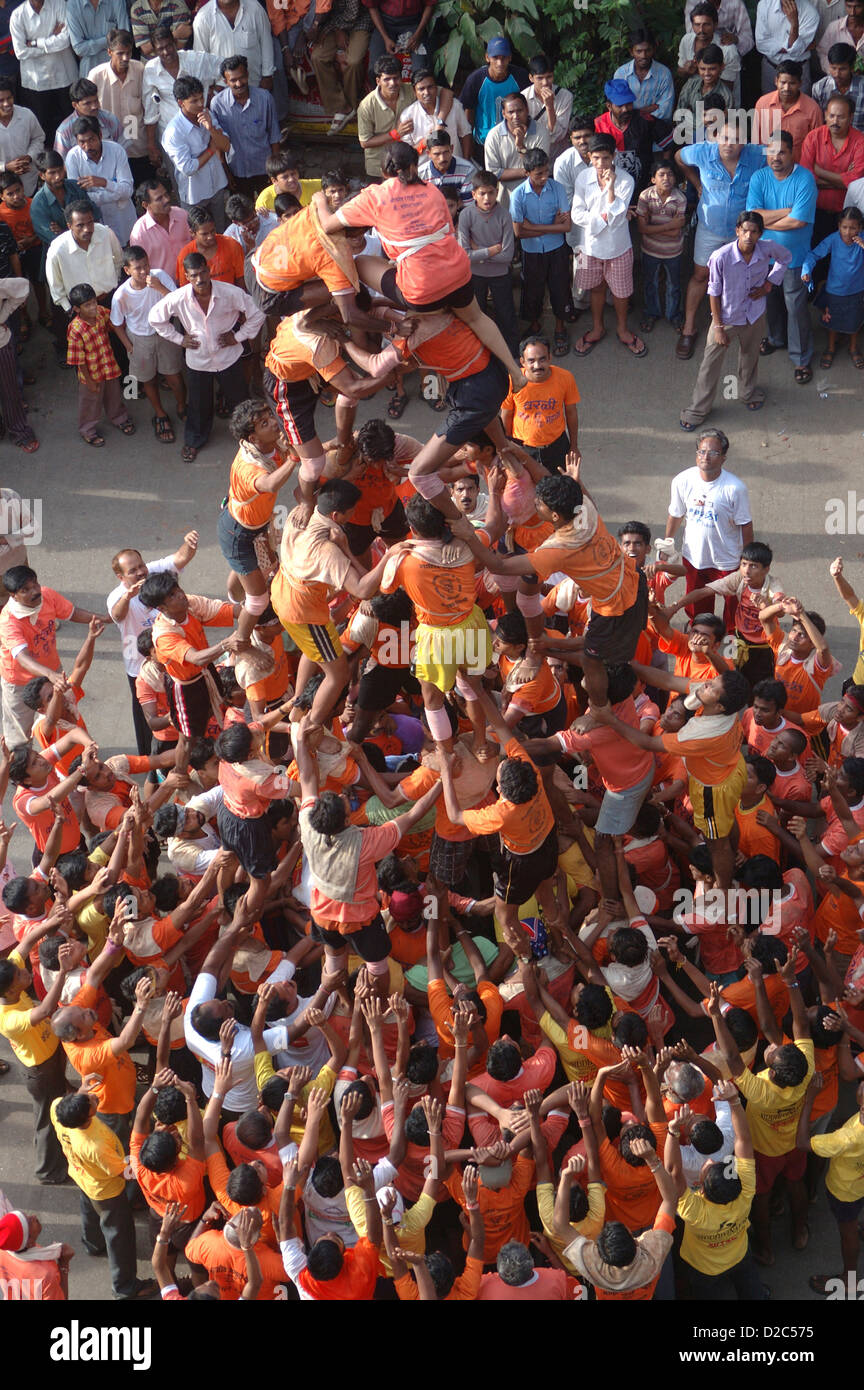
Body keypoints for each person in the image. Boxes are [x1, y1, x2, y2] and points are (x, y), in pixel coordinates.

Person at [315, 141, 527, 388]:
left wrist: (319, 200)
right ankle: (516, 372)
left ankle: (355, 306)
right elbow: (447, 230)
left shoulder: (375, 195)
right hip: (457, 272)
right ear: (415, 166)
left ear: (384, 171)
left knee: (361, 261)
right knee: (477, 317)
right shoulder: (432, 190)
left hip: (421, 289)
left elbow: (328, 224)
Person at [707, 959, 814, 1265]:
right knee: (797, 1185)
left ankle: (766, 1249)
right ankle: (799, 1231)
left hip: (765, 1152)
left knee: (761, 1198)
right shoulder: (804, 1069)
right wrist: (791, 981)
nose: (771, 1047)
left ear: (773, 1072)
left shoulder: (759, 1090)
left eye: (773, 1052)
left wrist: (715, 1014)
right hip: (796, 1143)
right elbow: (801, 1024)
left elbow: (730, 1055)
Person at [679, 210, 792, 428]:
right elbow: (713, 292)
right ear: (737, 231)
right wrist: (718, 327)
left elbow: (785, 257)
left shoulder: (767, 248)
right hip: (726, 317)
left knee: (750, 356)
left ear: (760, 234)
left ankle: (748, 393)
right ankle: (697, 411)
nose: (749, 236)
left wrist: (769, 284)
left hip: (754, 314)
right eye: (745, 230)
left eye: (754, 232)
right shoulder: (721, 256)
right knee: (710, 364)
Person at [149, 254, 265, 462]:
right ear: (187, 277)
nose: (200, 278)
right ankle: (194, 440)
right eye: (194, 275)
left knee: (240, 401)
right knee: (198, 404)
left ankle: (252, 439)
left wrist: (238, 336)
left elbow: (257, 313)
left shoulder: (229, 292)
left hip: (228, 357)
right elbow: (155, 319)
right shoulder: (178, 298)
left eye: (203, 272)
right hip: (198, 361)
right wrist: (179, 339)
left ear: (209, 270)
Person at [51, 1080, 156, 1300]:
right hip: (108, 1191)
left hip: (83, 1177)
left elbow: (66, 1103)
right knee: (120, 1235)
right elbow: (124, 1173)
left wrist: (79, 1093)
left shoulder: (58, 1108)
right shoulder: (95, 1145)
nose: (93, 1097)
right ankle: (125, 1286)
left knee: (89, 1211)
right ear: (86, 1117)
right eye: (89, 1101)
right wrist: (141, 1159)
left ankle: (93, 1243)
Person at [675, 120, 767, 360]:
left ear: (745, 142)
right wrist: (696, 184)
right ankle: (689, 328)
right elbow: (678, 157)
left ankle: (746, 331)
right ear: (716, 137)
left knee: (747, 278)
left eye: (736, 140)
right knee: (700, 275)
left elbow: (781, 162)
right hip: (710, 229)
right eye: (724, 138)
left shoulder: (758, 155)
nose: (729, 144)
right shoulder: (703, 151)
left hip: (743, 232)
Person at [106, 531, 198, 755]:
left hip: (172, 659)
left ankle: (188, 752)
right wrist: (128, 596)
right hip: (141, 669)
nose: (140, 572)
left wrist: (189, 543)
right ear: (120, 577)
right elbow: (117, 616)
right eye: (132, 571)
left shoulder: (154, 572)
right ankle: (152, 763)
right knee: (151, 721)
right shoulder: (116, 597)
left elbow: (180, 558)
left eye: (141, 566)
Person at [0, 907, 73, 1184]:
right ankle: (48, 1170)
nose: (25, 974)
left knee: (55, 1100)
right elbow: (44, 1010)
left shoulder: (9, 980)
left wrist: (50, 922)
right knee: (46, 1118)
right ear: (10, 991)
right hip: (40, 1070)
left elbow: (26, 943)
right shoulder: (8, 1019)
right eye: (20, 977)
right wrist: (63, 972)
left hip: (49, 1057)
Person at [0, 563, 100, 746]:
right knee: (20, 734)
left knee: (65, 712)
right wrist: (50, 675)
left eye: (35, 585)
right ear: (13, 595)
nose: (35, 591)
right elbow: (22, 658)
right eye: (26, 590)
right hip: (20, 682)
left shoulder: (46, 595)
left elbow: (71, 613)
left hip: (51, 671)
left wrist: (100, 618)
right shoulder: (8, 621)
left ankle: (73, 751)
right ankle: (21, 768)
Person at [746, 131, 818, 383]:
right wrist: (783, 212)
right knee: (772, 301)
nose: (775, 157)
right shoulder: (759, 177)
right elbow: (752, 217)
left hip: (793, 257)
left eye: (782, 151)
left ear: (792, 153)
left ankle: (801, 358)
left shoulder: (804, 179)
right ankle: (776, 339)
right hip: (763, 256)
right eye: (771, 151)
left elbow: (798, 220)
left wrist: (766, 222)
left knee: (795, 306)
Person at [140, 570, 241, 737]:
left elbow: (232, 611)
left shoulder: (191, 603)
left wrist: (254, 607)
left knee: (210, 712)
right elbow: (196, 658)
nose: (180, 595)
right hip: (185, 685)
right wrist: (226, 644)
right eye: (172, 595)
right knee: (190, 738)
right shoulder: (164, 635)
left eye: (178, 589)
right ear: (161, 608)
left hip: (205, 670)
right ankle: (184, 763)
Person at [571, 133, 645, 359]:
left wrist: (611, 189)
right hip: (590, 247)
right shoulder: (583, 178)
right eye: (596, 158)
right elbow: (576, 213)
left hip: (618, 247)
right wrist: (604, 218)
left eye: (605, 158)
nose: (601, 164)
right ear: (589, 157)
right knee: (596, 288)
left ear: (614, 156)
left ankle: (622, 329)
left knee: (621, 293)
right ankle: (597, 327)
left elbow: (617, 216)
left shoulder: (625, 180)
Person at [665, 430, 754, 613]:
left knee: (734, 604)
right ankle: (700, 631)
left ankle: (732, 634)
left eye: (713, 453)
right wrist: (667, 543)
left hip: (728, 560)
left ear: (723, 458)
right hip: (695, 557)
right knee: (697, 603)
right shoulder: (682, 481)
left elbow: (745, 524)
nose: (706, 457)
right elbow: (676, 514)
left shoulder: (735, 488)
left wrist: (748, 559)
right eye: (701, 451)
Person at [109, 243, 186, 442]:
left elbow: (178, 304)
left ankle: (182, 406)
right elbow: (116, 324)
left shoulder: (160, 276)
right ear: (127, 271)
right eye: (138, 268)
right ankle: (160, 414)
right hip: (139, 339)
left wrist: (160, 287)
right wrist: (128, 346)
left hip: (165, 333)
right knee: (147, 380)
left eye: (146, 266)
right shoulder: (121, 295)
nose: (144, 271)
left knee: (174, 376)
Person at [509, 148, 571, 355]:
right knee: (532, 291)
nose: (545, 177)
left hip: (557, 249)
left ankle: (560, 328)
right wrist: (551, 225)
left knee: (560, 288)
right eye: (539, 174)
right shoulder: (518, 195)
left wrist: (532, 227)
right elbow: (519, 233)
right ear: (527, 173)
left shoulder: (558, 188)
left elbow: (566, 226)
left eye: (546, 172)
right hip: (532, 252)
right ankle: (535, 326)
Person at [65, 280, 135, 446]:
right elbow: (78, 360)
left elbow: (115, 324)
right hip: (91, 374)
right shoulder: (75, 329)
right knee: (91, 401)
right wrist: (89, 381)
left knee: (114, 394)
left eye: (94, 302)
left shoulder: (102, 313)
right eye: (88, 305)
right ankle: (87, 429)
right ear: (76, 309)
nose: (93, 307)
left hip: (108, 365)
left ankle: (119, 417)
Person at [457, 169, 518, 357]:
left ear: (497, 191)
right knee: (477, 314)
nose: (487, 198)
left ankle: (512, 353)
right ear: (473, 194)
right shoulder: (466, 215)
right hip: (475, 275)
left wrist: (478, 251)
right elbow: (464, 255)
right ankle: (480, 354)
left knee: (506, 314)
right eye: (482, 193)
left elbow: (507, 256)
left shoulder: (504, 215)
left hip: (500, 274)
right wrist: (491, 250)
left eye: (491, 192)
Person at [500, 336, 580, 473]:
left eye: (542, 359)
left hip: (558, 446)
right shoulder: (512, 381)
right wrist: (507, 449)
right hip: (523, 449)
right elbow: (506, 416)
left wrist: (573, 446)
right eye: (531, 361)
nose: (537, 366)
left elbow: (571, 413)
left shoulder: (565, 378)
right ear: (522, 362)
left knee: (562, 486)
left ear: (550, 358)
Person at [142, 26, 222, 158]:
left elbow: (225, 67)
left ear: (175, 43)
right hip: (171, 135)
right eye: (160, 49)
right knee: (181, 175)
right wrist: (151, 144)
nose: (166, 52)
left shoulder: (196, 59)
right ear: (154, 51)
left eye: (169, 46)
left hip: (201, 129)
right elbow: (151, 111)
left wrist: (215, 94)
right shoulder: (150, 70)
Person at [162, 75, 229, 229]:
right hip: (194, 194)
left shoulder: (207, 115)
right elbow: (188, 168)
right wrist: (212, 150)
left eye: (201, 98)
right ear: (181, 103)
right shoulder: (173, 132)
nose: (200, 104)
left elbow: (225, 145)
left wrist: (211, 129)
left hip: (217, 184)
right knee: (198, 235)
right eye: (194, 101)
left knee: (220, 229)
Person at [801, 203, 864, 367]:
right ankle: (830, 347)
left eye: (853, 228)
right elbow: (813, 255)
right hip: (835, 290)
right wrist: (806, 270)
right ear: (838, 226)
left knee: (855, 321)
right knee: (832, 321)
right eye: (844, 227)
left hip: (856, 290)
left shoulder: (862, 242)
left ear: (860, 228)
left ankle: (853, 347)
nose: (848, 232)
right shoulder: (834, 239)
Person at [210, 55, 280, 198]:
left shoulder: (264, 98)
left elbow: (274, 136)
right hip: (237, 171)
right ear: (225, 81)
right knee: (244, 215)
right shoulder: (217, 104)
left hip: (264, 169)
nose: (238, 83)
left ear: (247, 75)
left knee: (271, 212)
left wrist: (275, 171)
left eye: (241, 77)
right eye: (233, 80)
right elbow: (218, 144)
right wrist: (226, 173)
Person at [9, 0, 77, 143]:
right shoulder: (18, 15)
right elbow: (20, 52)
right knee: (43, 128)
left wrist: (35, 42)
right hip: (37, 81)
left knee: (72, 124)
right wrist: (52, 39)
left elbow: (65, 40)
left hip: (64, 76)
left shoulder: (59, 5)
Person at [89, 29, 149, 185]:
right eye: (120, 53)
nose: (125, 58)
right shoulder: (96, 76)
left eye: (128, 53)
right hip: (110, 146)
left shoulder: (140, 69)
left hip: (137, 144)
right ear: (109, 52)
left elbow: (147, 106)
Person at [800, 92, 864, 238]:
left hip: (848, 218)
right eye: (831, 116)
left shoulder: (860, 141)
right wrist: (843, 181)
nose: (835, 121)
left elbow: (857, 182)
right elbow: (806, 179)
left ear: (851, 117)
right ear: (825, 115)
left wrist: (820, 171)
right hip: (814, 211)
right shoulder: (813, 137)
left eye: (841, 117)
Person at [635, 157, 687, 333]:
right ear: (653, 179)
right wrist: (670, 226)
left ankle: (674, 315)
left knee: (674, 285)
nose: (666, 178)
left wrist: (652, 228)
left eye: (670, 175)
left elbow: (675, 232)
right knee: (650, 282)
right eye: (662, 174)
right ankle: (652, 312)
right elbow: (641, 228)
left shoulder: (679, 198)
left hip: (673, 251)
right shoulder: (645, 196)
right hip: (650, 250)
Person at [63, 117, 135, 243]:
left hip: (122, 221)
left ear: (100, 135)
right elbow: (79, 199)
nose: (87, 146)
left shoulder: (117, 151)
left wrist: (103, 182)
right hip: (94, 227)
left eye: (91, 140)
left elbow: (128, 191)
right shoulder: (73, 158)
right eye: (82, 142)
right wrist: (114, 193)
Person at [460, 35, 529, 148]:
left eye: (504, 58)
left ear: (510, 58)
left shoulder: (520, 77)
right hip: (484, 142)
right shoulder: (476, 79)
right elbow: (469, 110)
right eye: (495, 58)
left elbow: (529, 104)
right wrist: (469, 145)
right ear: (487, 57)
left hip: (515, 141)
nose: (499, 63)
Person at [192, 0, 275, 93]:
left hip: (255, 86)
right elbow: (201, 59)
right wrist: (211, 90)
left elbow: (266, 42)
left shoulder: (255, 8)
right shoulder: (203, 17)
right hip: (221, 92)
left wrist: (267, 76)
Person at [754, 59, 825, 162]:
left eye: (792, 83)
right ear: (776, 81)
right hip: (766, 166)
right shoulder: (762, 103)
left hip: (799, 168)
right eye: (783, 82)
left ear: (800, 83)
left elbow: (817, 144)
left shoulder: (812, 109)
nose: (786, 88)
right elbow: (756, 141)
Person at [483, 91, 551, 198]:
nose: (516, 116)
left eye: (520, 111)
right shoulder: (493, 136)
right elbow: (493, 173)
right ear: (504, 114)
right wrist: (528, 171)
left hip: (536, 196)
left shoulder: (541, 132)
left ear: (527, 110)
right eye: (511, 112)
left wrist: (520, 146)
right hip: (505, 199)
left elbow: (541, 168)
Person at [0, 277, 39, 451]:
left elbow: (22, 287)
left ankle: (19, 431)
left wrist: (3, 315)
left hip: (1, 344)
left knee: (10, 390)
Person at [678, 2, 742, 103]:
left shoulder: (728, 50)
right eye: (697, 25)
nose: (701, 30)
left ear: (715, 25)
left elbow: (727, 89)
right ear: (692, 25)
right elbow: (680, 72)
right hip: (693, 102)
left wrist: (699, 70)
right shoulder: (686, 40)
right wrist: (686, 69)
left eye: (706, 24)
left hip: (723, 106)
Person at [129, 177, 190, 278]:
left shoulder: (182, 215)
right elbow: (140, 269)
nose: (167, 199)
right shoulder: (139, 234)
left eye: (166, 194)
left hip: (191, 281)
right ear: (145, 205)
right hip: (162, 288)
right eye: (159, 199)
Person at [613, 27, 675, 122]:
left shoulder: (664, 74)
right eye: (639, 51)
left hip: (657, 127)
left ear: (654, 49)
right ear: (631, 52)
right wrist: (645, 110)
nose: (644, 56)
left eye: (648, 50)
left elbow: (665, 111)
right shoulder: (621, 74)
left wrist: (635, 113)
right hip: (628, 127)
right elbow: (619, 109)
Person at [755, 0, 819, 93]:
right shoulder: (764, 5)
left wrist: (794, 24)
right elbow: (761, 44)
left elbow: (796, 50)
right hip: (771, 68)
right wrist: (796, 47)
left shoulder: (811, 12)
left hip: (799, 71)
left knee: (801, 106)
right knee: (769, 105)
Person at [53, 76, 122, 158]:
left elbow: (122, 150)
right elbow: (62, 163)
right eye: (87, 103)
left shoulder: (109, 119)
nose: (94, 106)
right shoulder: (64, 131)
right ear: (75, 105)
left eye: (96, 101)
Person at [521, 53, 573, 160]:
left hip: (557, 158)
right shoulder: (523, 98)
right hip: (534, 160)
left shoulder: (565, 96)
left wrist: (550, 107)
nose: (545, 83)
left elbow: (557, 135)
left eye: (549, 77)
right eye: (540, 78)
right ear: (531, 78)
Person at [0, 81, 45, 199]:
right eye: (1, 100)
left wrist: (30, 156)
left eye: (9, 98)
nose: (6, 104)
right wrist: (5, 167)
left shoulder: (26, 115)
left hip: (29, 182)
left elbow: (39, 138)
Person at [65, 0, 127, 79]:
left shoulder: (117, 2)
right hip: (89, 73)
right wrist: (110, 39)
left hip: (116, 71)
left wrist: (90, 45)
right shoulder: (73, 5)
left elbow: (124, 38)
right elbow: (79, 48)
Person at [812, 42, 864, 131]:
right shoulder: (820, 88)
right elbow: (817, 121)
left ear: (852, 68)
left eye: (842, 69)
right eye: (833, 68)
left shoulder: (862, 87)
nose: (837, 74)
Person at [818, 0, 864, 69]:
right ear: (845, 5)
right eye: (849, 6)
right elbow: (822, 53)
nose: (852, 12)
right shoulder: (833, 27)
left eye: (857, 7)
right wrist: (836, 71)